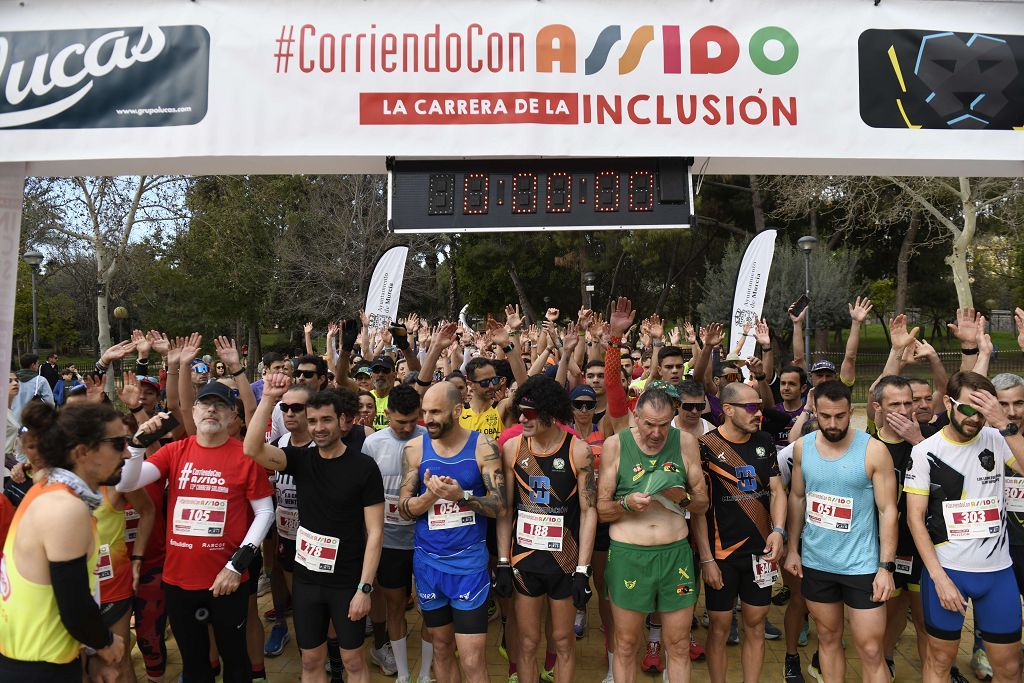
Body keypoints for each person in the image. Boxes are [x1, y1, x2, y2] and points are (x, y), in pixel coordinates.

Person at [118, 380, 275, 683]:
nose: (212, 410)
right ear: (194, 411)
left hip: (227, 581)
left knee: (236, 662)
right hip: (178, 581)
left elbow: (265, 512)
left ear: (232, 415)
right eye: (205, 403)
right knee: (194, 664)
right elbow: (126, 483)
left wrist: (236, 565)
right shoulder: (176, 451)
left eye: (220, 405)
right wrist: (137, 444)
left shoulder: (245, 455)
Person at [243, 374, 385, 683]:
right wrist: (268, 399)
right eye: (313, 421)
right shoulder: (300, 459)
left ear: (342, 420)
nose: (319, 427)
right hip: (307, 579)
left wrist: (365, 588)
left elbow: (375, 533)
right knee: (310, 661)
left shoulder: (363, 467)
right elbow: (252, 449)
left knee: (353, 661)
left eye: (326, 420)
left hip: (347, 581)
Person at [904, 371, 1024, 683]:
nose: (974, 418)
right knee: (940, 661)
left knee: (1010, 667)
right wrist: (939, 577)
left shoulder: (999, 439)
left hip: (997, 573)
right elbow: (915, 519)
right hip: (948, 571)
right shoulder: (925, 451)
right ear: (947, 402)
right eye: (967, 409)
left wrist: (1005, 425)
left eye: (982, 411)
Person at [0, 401, 128, 681]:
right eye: (118, 443)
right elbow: (74, 604)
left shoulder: (50, 489)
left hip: (39, 660)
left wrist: (92, 657)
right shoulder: (65, 507)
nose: (127, 453)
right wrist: (105, 642)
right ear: (82, 452)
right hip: (37, 668)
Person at [784, 380, 898, 683]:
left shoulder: (874, 451)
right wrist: (792, 548)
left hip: (862, 567)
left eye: (840, 416)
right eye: (825, 417)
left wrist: (885, 568)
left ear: (852, 411)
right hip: (817, 563)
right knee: (827, 639)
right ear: (814, 413)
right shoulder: (802, 448)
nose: (833, 424)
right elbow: (797, 497)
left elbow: (888, 511)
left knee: (871, 650)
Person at [397, 381, 507, 683]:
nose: (428, 418)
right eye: (425, 412)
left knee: (472, 660)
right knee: (442, 649)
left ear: (457, 410)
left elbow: (500, 506)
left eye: (435, 411)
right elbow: (403, 508)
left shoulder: (483, 446)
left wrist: (463, 497)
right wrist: (428, 498)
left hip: (469, 566)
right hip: (428, 564)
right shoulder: (415, 448)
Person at [495, 375, 597, 683]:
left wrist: (583, 569)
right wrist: (501, 562)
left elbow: (589, 510)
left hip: (564, 563)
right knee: (526, 643)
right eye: (520, 411)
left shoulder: (579, 451)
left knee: (564, 641)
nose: (522, 418)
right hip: (525, 562)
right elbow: (505, 509)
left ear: (551, 414)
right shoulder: (512, 448)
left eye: (530, 412)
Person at [691, 381, 787, 683]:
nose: (757, 412)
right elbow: (697, 508)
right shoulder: (705, 446)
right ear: (728, 410)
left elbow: (777, 489)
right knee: (719, 628)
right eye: (750, 407)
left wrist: (779, 531)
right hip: (723, 556)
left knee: (756, 625)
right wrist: (706, 559)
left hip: (761, 554)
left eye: (758, 406)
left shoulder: (764, 440)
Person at [362, 384, 430, 683]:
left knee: (431, 605)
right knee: (394, 605)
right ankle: (402, 672)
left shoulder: (430, 440)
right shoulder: (373, 444)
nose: (406, 427)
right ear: (386, 413)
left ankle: (426, 671)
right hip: (388, 539)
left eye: (413, 420)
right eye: (400, 421)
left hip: (426, 537)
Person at [263, 383, 315, 659]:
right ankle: (292, 633)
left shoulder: (322, 445)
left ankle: (322, 645)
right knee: (292, 586)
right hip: (285, 531)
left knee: (315, 595)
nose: (290, 413)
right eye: (285, 408)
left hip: (317, 535)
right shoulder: (279, 444)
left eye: (297, 408)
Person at [11, 353, 55, 421]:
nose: (38, 365)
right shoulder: (41, 380)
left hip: (12, 419)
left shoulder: (11, 380)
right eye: (37, 363)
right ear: (33, 365)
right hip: (33, 421)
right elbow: (50, 403)